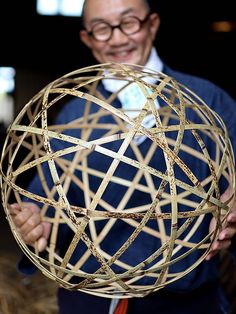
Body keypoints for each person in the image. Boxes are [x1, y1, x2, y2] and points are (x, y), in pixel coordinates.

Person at [9, 0, 236, 313]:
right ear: (87, 39)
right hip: (92, 300)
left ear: (152, 24)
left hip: (188, 302)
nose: (117, 39)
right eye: (102, 29)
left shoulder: (207, 101)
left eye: (128, 23)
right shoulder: (71, 117)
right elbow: (43, 201)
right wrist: (36, 224)